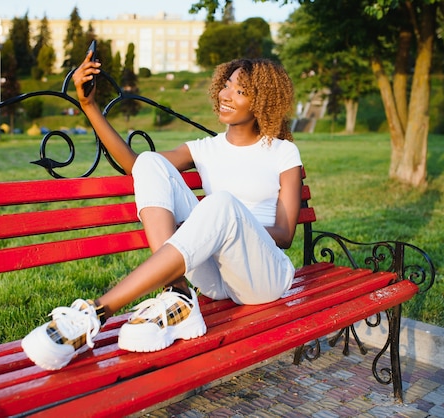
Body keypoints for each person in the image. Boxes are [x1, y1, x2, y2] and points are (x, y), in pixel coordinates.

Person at [21, 52, 303, 371]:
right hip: (215, 279)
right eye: (226, 84)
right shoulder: (205, 149)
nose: (225, 94)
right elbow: (134, 165)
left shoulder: (283, 152)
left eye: (240, 91)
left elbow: (285, 234)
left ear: (261, 102)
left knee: (221, 203)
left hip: (264, 277)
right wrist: (89, 106)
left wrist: (219, 225)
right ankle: (179, 294)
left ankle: (94, 313)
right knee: (151, 161)